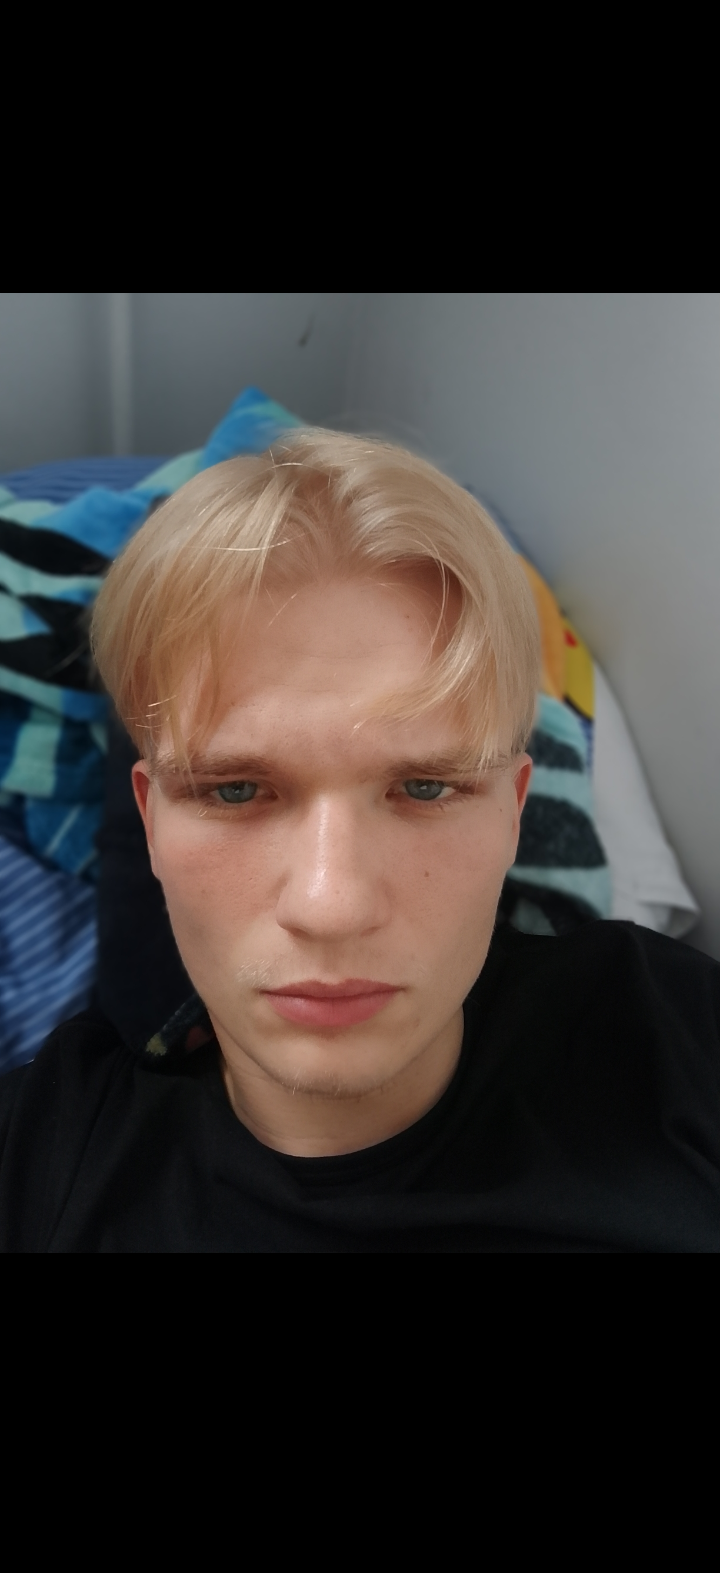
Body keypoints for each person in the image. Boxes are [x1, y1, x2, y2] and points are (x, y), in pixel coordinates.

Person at [1, 431, 718, 1252]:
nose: (330, 906)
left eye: (426, 787)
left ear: (515, 812)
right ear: (151, 823)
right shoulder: (39, 1160)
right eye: (235, 790)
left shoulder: (673, 1034)